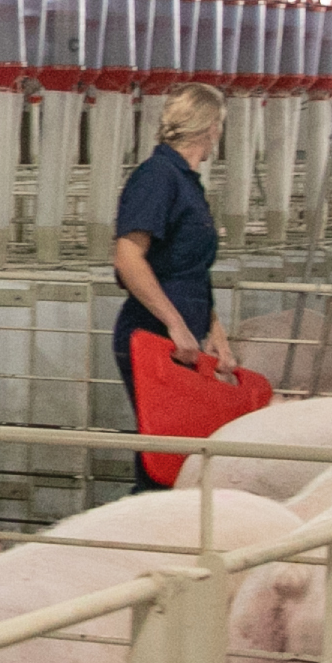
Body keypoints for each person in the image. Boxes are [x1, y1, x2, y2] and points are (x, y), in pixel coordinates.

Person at [108, 81, 227, 424]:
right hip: (155, 333)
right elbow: (128, 257)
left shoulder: (185, 181)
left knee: (182, 441)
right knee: (166, 445)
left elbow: (192, 270)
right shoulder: (158, 177)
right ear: (211, 127)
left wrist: (214, 331)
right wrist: (175, 324)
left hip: (183, 335)